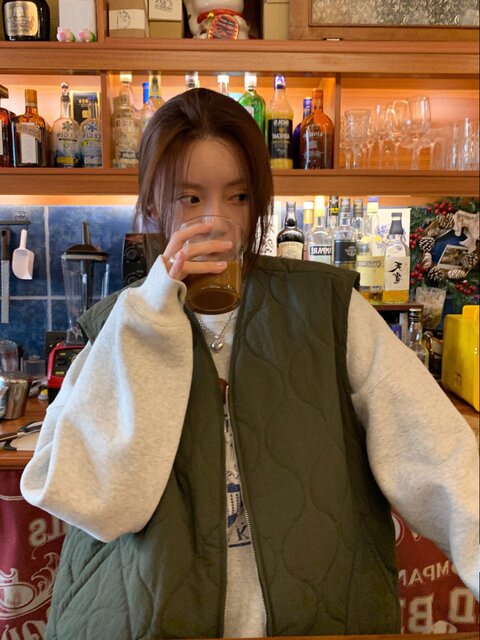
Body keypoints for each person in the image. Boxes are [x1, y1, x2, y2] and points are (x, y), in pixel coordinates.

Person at [21, 88, 478, 639]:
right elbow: (83, 494)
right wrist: (151, 318)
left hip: (317, 620)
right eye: (190, 198)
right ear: (154, 205)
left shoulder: (327, 308)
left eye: (237, 197)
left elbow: (437, 454)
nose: (216, 221)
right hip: (148, 622)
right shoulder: (122, 324)